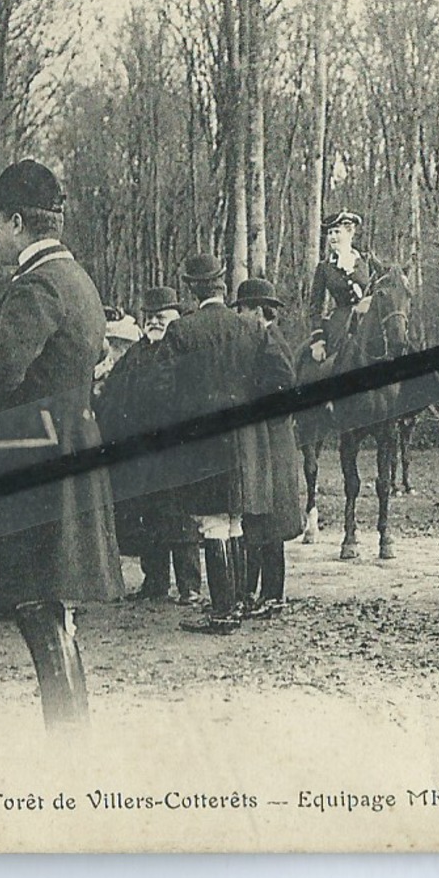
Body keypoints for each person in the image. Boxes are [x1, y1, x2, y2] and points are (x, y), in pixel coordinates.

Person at [0, 159, 122, 727]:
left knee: (36, 603)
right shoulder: (75, 279)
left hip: (36, 454)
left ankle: (67, 738)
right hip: (71, 443)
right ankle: (72, 728)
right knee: (55, 608)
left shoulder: (37, 287)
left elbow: (2, 371)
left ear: (17, 223)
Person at [166, 252, 261, 633]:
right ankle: (235, 603)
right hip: (241, 438)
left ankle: (222, 612)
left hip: (202, 440)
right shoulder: (249, 328)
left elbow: (167, 391)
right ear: (221, 286)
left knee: (212, 522)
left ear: (192, 289)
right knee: (234, 520)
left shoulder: (182, 331)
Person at [95, 286, 203, 606]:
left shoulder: (185, 351)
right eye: (150, 317)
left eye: (162, 317)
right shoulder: (135, 355)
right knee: (150, 516)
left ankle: (190, 585)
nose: (155, 322)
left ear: (177, 318)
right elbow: (114, 395)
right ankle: (155, 581)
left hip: (176, 449)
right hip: (142, 452)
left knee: (180, 518)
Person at [232, 277, 304, 617]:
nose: (240, 315)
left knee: (269, 522)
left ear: (260, 312)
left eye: (243, 309)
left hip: (272, 443)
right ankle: (254, 592)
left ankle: (272, 595)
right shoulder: (263, 339)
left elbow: (284, 386)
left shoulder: (270, 342)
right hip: (267, 440)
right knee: (259, 520)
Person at [306, 209, 386, 364]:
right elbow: (315, 306)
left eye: (337, 232)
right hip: (340, 325)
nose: (332, 237)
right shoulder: (324, 267)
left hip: (369, 320)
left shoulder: (367, 261)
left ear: (350, 232)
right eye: (329, 233)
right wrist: (318, 341)